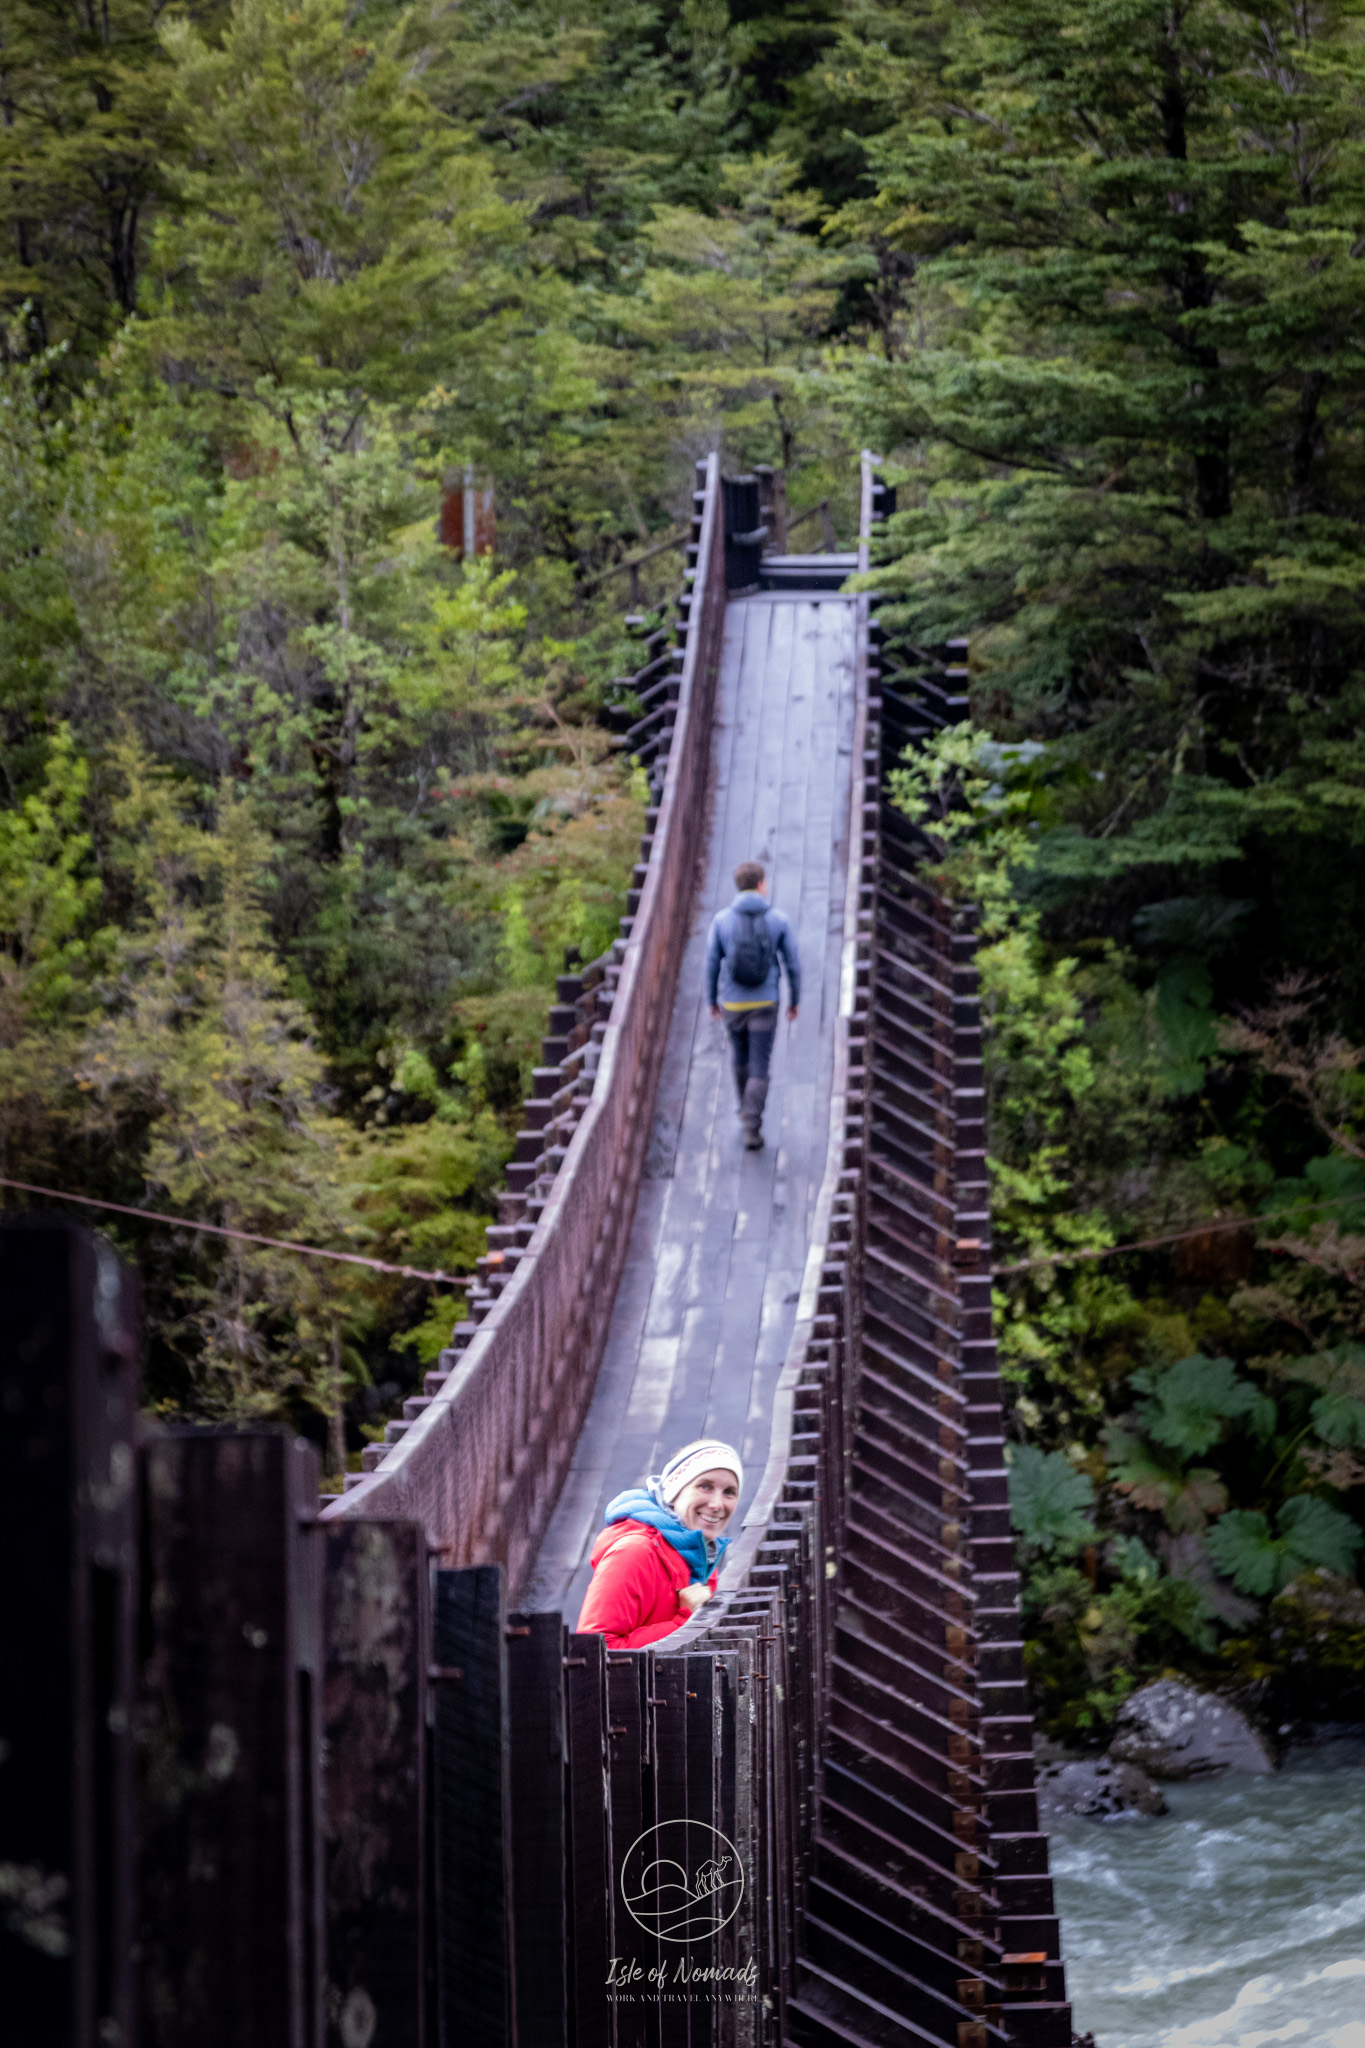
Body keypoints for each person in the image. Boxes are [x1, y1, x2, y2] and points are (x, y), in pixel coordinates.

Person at [575, 1440, 743, 1650]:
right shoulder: (635, 1552)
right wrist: (685, 1623)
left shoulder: (702, 1558)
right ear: (674, 1490)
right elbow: (596, 1650)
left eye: (729, 1492)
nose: (717, 1504)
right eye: (704, 1486)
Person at [705, 860, 800, 1149]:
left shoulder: (721, 920)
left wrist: (712, 999)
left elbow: (712, 963)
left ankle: (744, 1109)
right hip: (765, 1003)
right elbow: (792, 964)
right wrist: (794, 999)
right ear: (760, 884)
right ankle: (751, 1122)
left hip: (733, 1004)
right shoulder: (778, 919)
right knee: (760, 1064)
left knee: (740, 1057)